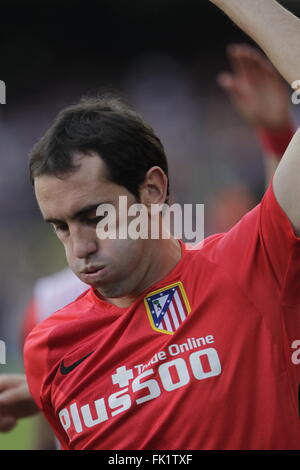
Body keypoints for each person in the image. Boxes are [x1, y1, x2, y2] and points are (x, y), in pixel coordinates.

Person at [3, 1, 300, 445]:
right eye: (60, 226)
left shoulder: (250, 264)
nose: (78, 249)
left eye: (95, 216)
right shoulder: (49, 348)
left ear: (153, 191)